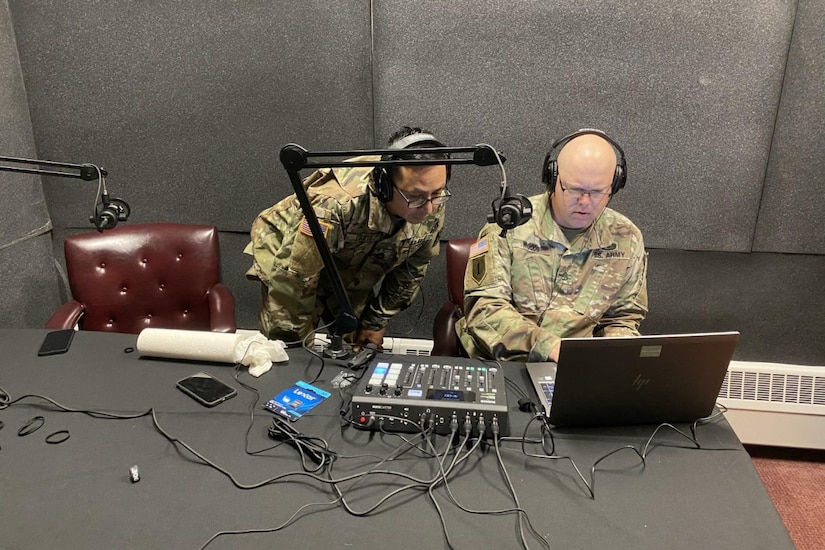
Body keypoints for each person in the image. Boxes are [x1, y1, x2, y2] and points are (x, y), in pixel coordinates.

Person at [245, 126, 450, 348]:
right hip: (291, 261)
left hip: (347, 260)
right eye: (415, 197)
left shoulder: (429, 199)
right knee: (289, 348)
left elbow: (413, 269)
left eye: (437, 194)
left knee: (359, 344)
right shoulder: (335, 204)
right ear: (385, 187)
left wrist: (376, 322)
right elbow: (295, 278)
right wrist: (292, 344)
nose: (429, 208)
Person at [457, 129, 648, 363]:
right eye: (575, 189)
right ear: (553, 178)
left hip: (575, 367)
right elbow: (484, 309)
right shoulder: (509, 225)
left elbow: (622, 318)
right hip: (500, 361)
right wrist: (549, 347)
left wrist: (610, 356)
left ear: (614, 185)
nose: (585, 202)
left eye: (598, 191)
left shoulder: (626, 238)